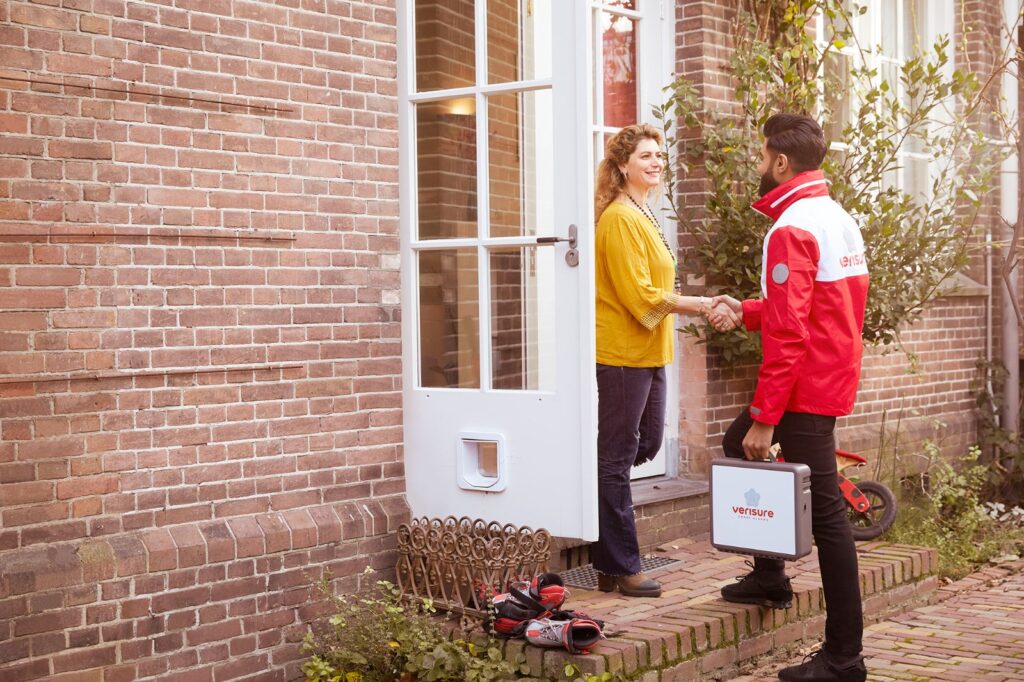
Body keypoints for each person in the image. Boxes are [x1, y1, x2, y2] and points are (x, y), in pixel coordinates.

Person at [709, 113, 869, 682]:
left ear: (780, 162)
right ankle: (770, 576)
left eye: (760, 157)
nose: (758, 167)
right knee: (734, 442)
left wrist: (765, 416)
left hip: (804, 388)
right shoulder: (836, 217)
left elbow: (790, 333)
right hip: (828, 378)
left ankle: (843, 659)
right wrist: (745, 308)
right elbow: (812, 310)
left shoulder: (791, 226)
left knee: (827, 519)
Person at [592, 124, 722, 598]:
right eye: (645, 155)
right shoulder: (619, 218)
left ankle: (606, 549)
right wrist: (704, 305)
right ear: (622, 165)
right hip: (623, 353)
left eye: (659, 155)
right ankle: (622, 566)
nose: (655, 162)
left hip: (648, 352)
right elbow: (640, 295)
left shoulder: (643, 211)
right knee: (617, 456)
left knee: (643, 444)